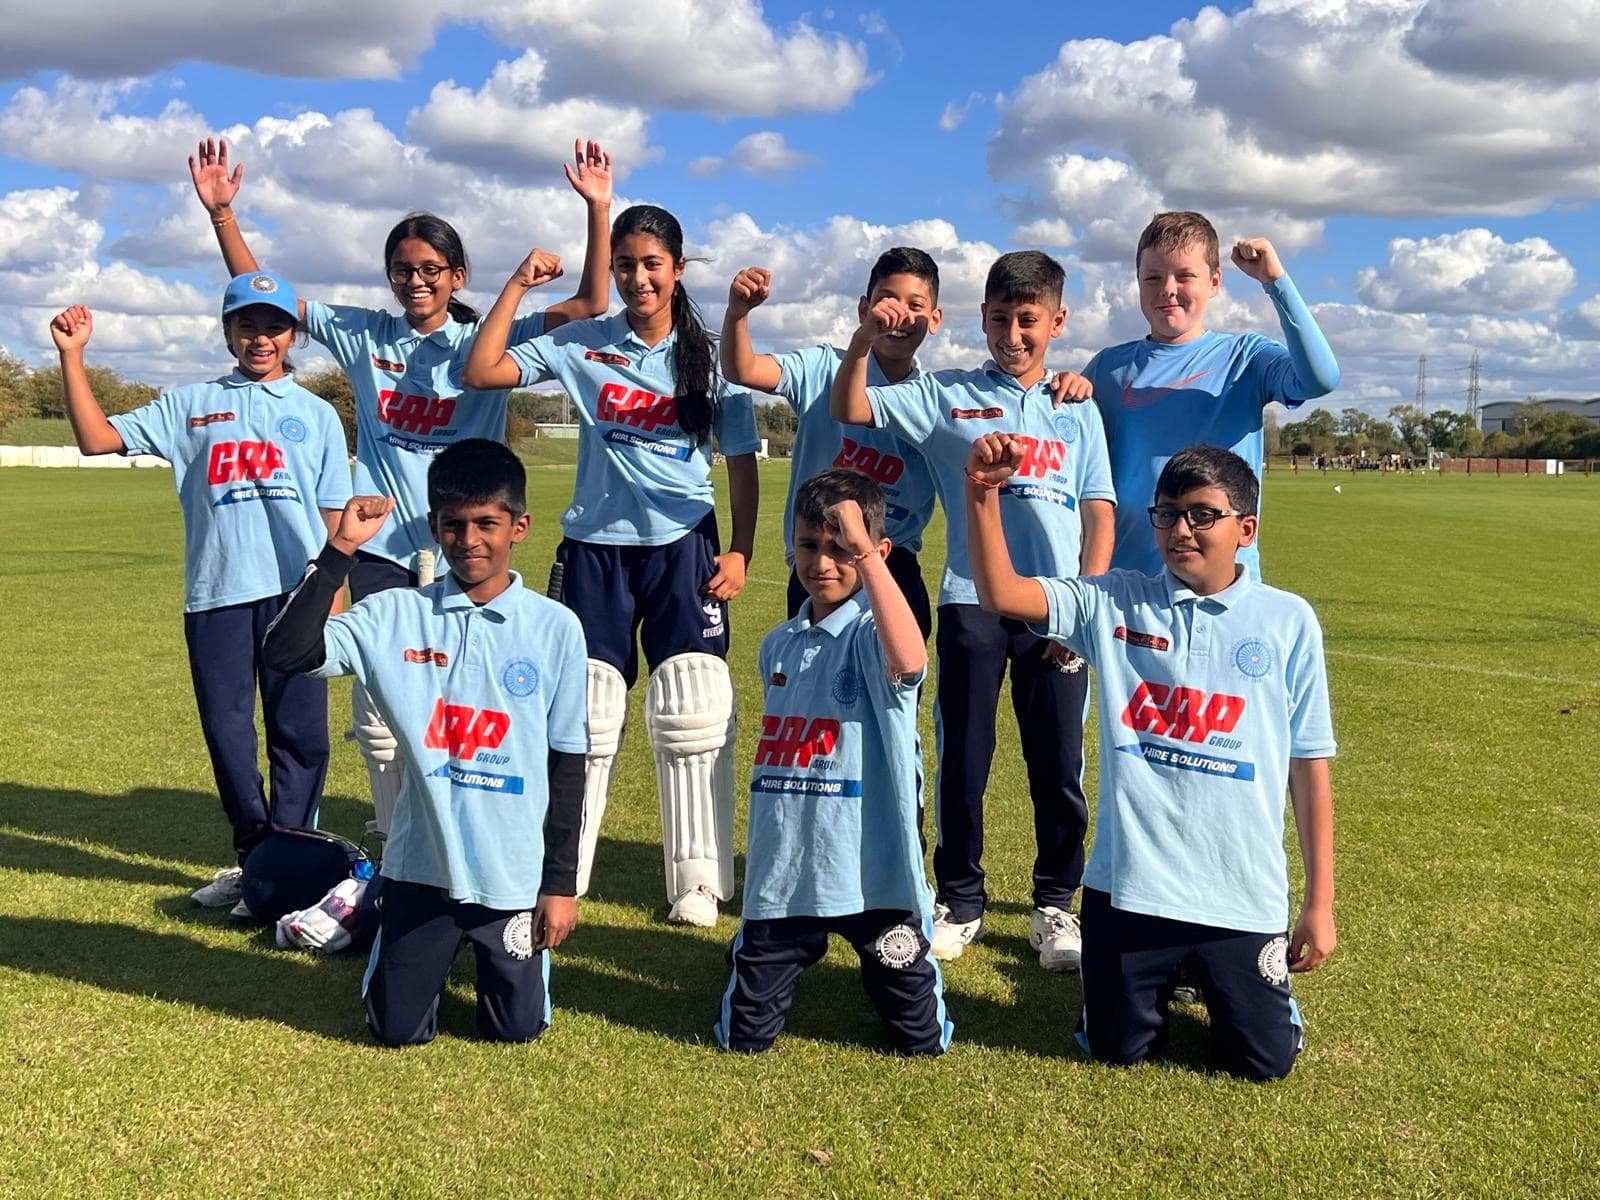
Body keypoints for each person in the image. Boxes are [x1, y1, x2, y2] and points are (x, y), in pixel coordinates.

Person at [188, 135, 612, 844]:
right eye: (402, 271)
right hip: (383, 548)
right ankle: (404, 824)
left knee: (468, 687)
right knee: (388, 699)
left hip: (467, 545)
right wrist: (223, 217)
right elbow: (269, 296)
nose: (415, 282)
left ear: (457, 274)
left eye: (430, 270)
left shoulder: (487, 337)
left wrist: (597, 209)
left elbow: (594, 301)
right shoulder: (364, 335)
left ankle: (465, 810)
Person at [966, 439, 1337, 1080]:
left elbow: (1309, 766)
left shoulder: (1288, 622)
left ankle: (1250, 993)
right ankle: (1150, 978)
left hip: (1239, 897)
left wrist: (1319, 902)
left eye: (1201, 514)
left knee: (1264, 1062)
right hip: (1130, 891)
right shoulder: (1114, 600)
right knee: (1116, 1050)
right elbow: (1001, 593)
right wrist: (982, 492)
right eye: (1167, 514)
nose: (1180, 529)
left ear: (1247, 529)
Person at [463, 204, 760, 927]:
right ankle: (566, 873)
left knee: (693, 707)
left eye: (651, 264)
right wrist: (516, 288)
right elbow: (481, 369)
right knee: (588, 715)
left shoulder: (711, 360)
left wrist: (741, 551)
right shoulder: (584, 342)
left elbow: (744, 467)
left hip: (683, 546)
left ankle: (697, 883)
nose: (637, 278)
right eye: (625, 264)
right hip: (595, 550)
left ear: (678, 269)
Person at [831, 251, 1115, 970]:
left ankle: (1055, 903)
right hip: (970, 602)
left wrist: (1084, 604)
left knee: (1058, 763)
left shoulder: (1078, 406)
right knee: (965, 760)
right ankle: (961, 900)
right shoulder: (948, 393)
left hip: (1056, 606)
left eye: (1029, 321)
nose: (1013, 335)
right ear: (981, 317)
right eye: (1000, 319)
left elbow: (1100, 512)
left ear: (1057, 321)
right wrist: (864, 338)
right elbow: (852, 407)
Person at [262, 439, 587, 1046]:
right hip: (421, 867)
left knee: (514, 1032)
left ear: (519, 527)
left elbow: (567, 765)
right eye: (453, 525)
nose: (469, 540)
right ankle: (375, 905)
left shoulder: (555, 628)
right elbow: (287, 654)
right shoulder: (394, 614)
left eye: (487, 523)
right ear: (434, 527)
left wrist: (559, 886)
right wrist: (341, 550)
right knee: (396, 1031)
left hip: (511, 874)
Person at [49, 276, 352, 915]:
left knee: (300, 736)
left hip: (296, 593)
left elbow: (332, 514)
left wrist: (335, 590)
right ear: (228, 332)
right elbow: (97, 439)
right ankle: (257, 862)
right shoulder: (189, 403)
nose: (260, 338)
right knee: (228, 734)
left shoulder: (318, 414)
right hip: (217, 592)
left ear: (292, 335)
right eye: (247, 325)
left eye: (273, 326)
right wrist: (72, 357)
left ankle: (291, 867)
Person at [713, 469, 953, 1055]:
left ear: (875, 552)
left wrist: (866, 555)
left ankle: (885, 960)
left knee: (918, 1041)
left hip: (875, 874)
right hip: (789, 873)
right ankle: (775, 943)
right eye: (810, 546)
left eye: (840, 548)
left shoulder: (875, 633)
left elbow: (912, 655)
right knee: (743, 1039)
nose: (824, 561)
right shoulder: (779, 643)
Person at [1072, 213, 1338, 579]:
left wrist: (1276, 282)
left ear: (1214, 282)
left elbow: (1320, 378)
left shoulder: (1245, 358)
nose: (1168, 288)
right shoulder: (1108, 369)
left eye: (1185, 276)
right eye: (1153, 277)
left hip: (1224, 589)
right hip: (1130, 586)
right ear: (1137, 283)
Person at [720, 248, 942, 638]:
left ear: (935, 318)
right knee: (810, 689)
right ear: (864, 308)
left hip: (895, 563)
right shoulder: (822, 368)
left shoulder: (935, 399)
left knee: (897, 690)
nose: (900, 315)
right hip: (819, 561)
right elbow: (742, 369)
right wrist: (738, 313)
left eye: (916, 304)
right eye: (888, 300)